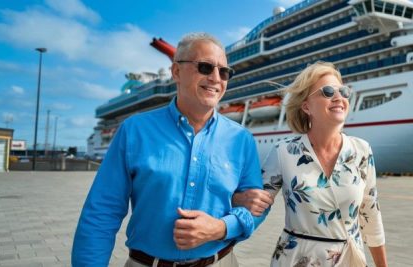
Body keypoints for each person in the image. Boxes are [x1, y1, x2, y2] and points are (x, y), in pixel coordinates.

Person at [72, 32, 272, 266]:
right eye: (205, 67)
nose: (216, 78)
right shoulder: (135, 130)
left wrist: (220, 228)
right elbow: (101, 213)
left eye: (224, 71)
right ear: (176, 72)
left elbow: (256, 208)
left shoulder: (242, 139)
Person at [233, 61, 387, 266]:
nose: (339, 97)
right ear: (306, 106)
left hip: (350, 259)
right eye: (328, 91)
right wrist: (235, 201)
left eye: (343, 91)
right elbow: (256, 202)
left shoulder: (361, 151)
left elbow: (371, 216)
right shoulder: (284, 152)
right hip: (298, 259)